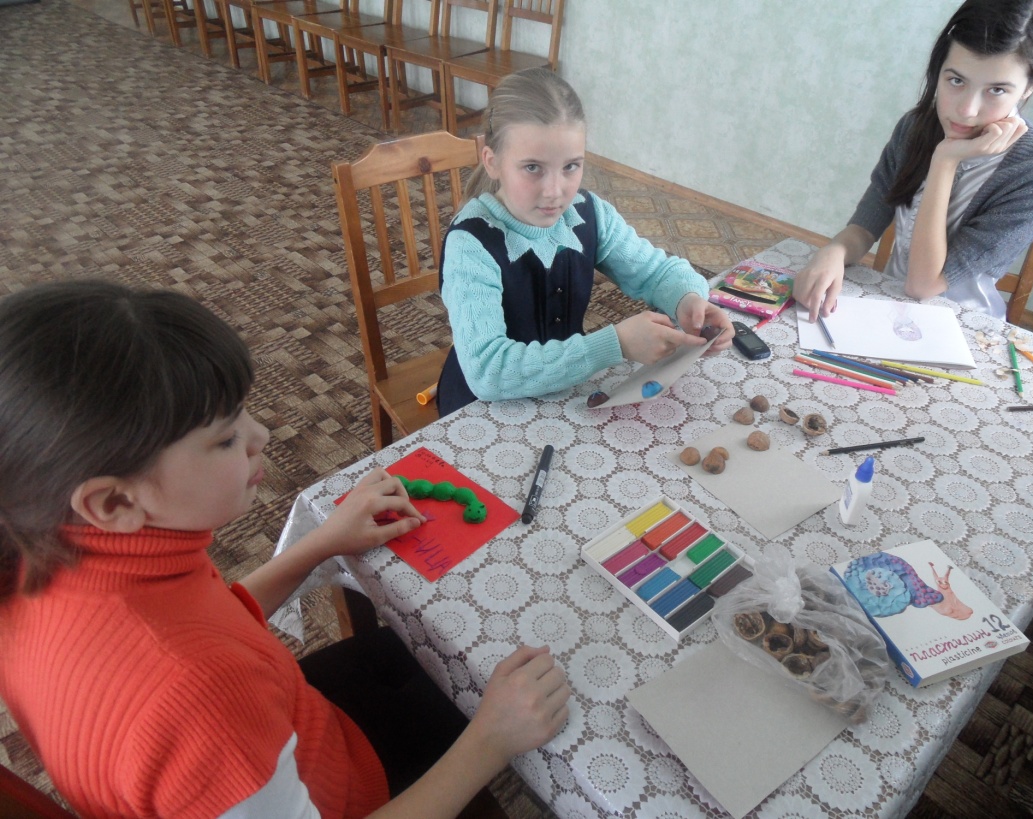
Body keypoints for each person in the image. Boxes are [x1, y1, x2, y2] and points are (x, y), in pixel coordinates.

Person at [0, 281, 570, 819]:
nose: (261, 436)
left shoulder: (43, 550)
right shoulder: (196, 703)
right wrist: (491, 740)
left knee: (442, 649)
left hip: (299, 733)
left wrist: (320, 544)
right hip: (347, 794)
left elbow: (208, 623)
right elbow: (194, 680)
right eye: (226, 438)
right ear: (112, 501)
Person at [436, 67, 734, 417]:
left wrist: (688, 300)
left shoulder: (588, 214)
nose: (555, 191)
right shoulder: (471, 244)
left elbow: (656, 272)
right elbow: (488, 372)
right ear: (492, 162)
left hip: (565, 389)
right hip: (484, 408)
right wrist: (613, 344)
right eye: (532, 168)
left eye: (570, 167)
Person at [794, 0, 1033, 322]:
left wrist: (944, 161)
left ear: (1032, 84)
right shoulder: (915, 127)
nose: (966, 110)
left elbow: (924, 285)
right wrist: (835, 250)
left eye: (996, 90)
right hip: (885, 304)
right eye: (956, 81)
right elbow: (865, 225)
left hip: (964, 325)